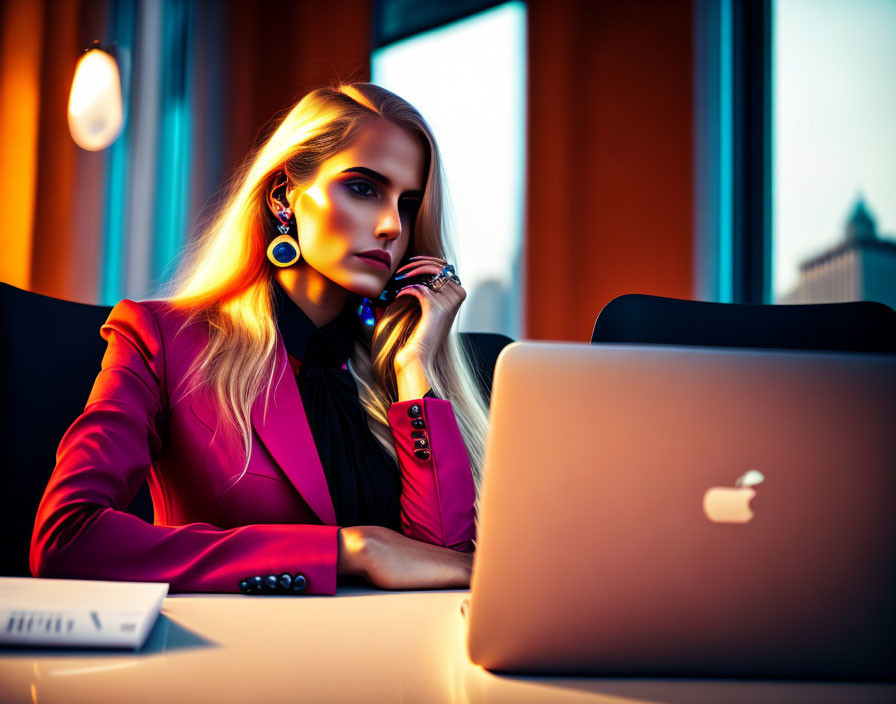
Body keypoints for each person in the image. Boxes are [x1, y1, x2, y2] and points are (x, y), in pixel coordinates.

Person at [30, 83, 490, 595]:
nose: (389, 225)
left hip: (395, 665)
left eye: (407, 205)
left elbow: (446, 565)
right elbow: (67, 537)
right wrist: (348, 550)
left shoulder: (393, 369)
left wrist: (415, 365)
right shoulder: (161, 338)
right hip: (221, 663)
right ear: (282, 196)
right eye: (363, 188)